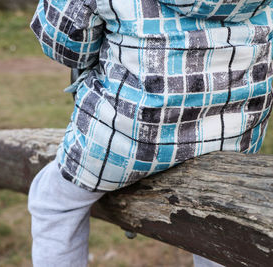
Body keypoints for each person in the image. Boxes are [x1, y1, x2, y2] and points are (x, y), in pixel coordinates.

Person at [28, 0, 273, 266]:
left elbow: (63, 43)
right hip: (232, 132)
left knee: (53, 202)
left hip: (130, 137)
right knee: (221, 222)